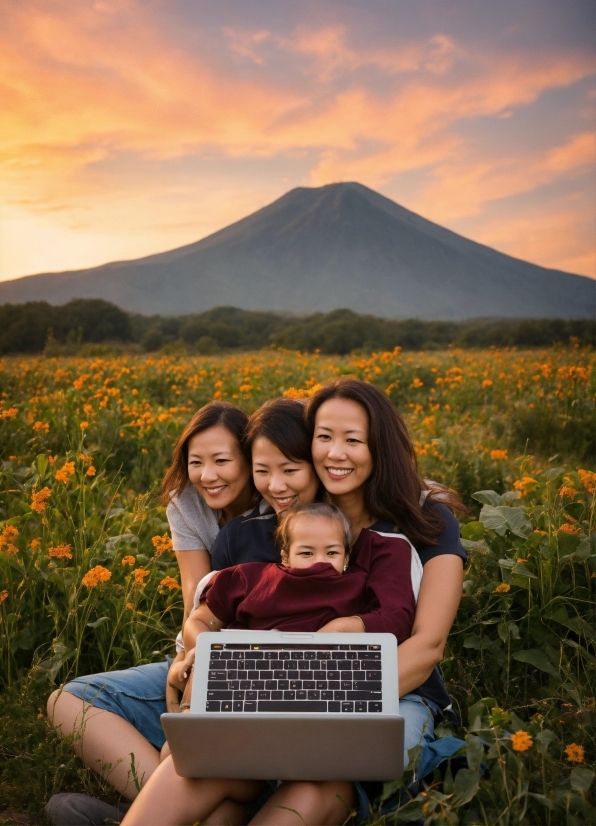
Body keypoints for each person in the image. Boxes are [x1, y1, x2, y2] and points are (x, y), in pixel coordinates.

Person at [121, 502, 419, 826]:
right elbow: (198, 621)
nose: (319, 563)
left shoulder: (358, 585)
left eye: (331, 553)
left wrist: (344, 627)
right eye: (306, 553)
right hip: (245, 695)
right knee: (180, 758)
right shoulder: (251, 578)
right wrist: (203, 650)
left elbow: (395, 618)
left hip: (317, 703)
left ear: (346, 558)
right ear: (285, 556)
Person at [45, 402, 256, 826]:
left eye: (222, 461)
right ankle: (170, 807)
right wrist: (186, 674)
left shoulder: (280, 504)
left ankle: (159, 812)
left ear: (251, 460)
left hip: (249, 667)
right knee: (66, 702)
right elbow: (194, 602)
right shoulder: (187, 502)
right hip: (198, 654)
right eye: (196, 463)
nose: (207, 476)